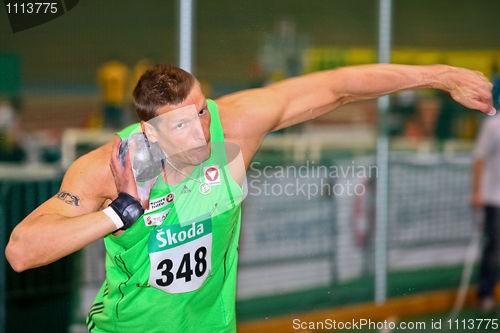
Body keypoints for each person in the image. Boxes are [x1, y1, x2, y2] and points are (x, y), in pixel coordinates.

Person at [6, 63, 495, 332]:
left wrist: (437, 75)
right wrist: (120, 212)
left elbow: (336, 88)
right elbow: (22, 252)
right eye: (182, 124)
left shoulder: (233, 123)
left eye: (200, 112)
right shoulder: (108, 168)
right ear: (149, 133)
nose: (201, 132)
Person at [472, 112, 500, 312]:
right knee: (495, 249)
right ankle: (485, 293)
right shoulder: (493, 125)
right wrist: (476, 192)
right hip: (494, 197)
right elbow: (479, 158)